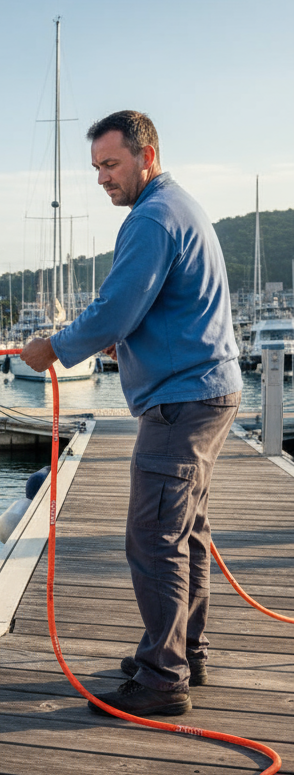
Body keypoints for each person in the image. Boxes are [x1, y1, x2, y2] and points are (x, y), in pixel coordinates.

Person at [20, 110, 242, 717]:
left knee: (154, 537)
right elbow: (162, 307)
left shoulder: (151, 218)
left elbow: (115, 307)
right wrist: (129, 339)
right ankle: (183, 653)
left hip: (181, 402)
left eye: (111, 164)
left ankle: (163, 679)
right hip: (207, 392)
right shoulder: (180, 206)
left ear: (148, 156)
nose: (102, 178)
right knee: (186, 533)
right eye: (96, 167)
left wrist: (54, 348)